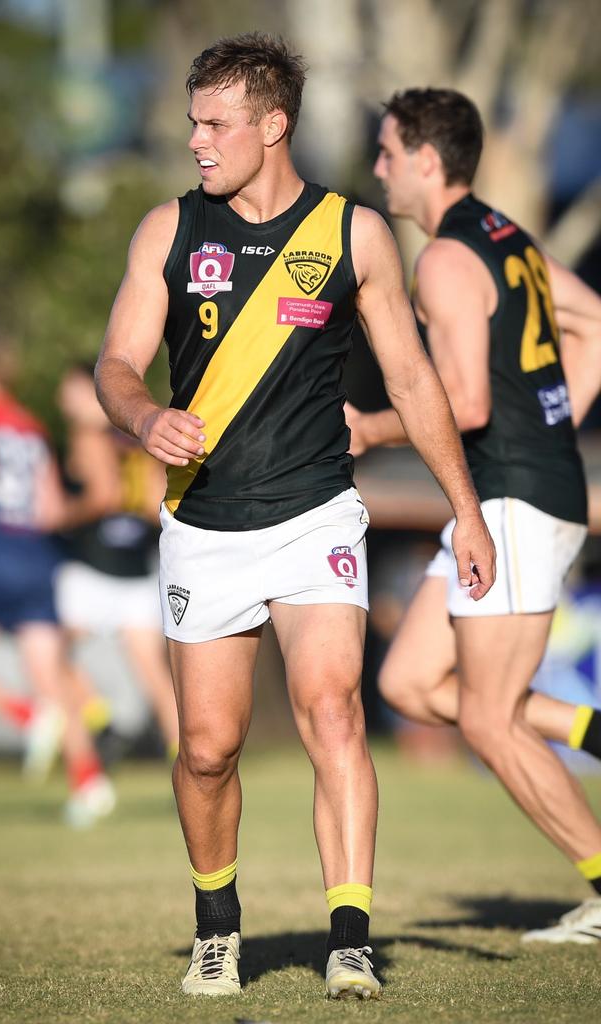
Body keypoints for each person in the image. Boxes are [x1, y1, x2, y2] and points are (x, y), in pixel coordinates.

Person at [93, 35, 495, 999]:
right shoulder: (167, 231)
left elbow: (412, 377)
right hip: (205, 526)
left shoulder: (354, 234)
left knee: (332, 708)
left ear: (273, 127)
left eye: (214, 123)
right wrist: (145, 416)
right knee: (206, 747)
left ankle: (349, 934)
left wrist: (466, 511)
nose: (196, 139)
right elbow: (115, 364)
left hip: (317, 515)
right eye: (192, 120)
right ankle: (217, 928)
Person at [349, 87, 601, 944]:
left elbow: (460, 402)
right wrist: (556, 425)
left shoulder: (446, 260)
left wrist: (370, 428)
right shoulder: (507, 238)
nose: (377, 167)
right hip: (511, 494)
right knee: (408, 681)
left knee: (489, 720)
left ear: (425, 159)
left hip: (513, 503)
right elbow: (594, 323)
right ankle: (588, 730)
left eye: (386, 152)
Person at [0, 340, 115, 828]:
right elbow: (50, 505)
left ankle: (28, 717)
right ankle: (90, 782)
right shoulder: (31, 426)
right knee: (52, 678)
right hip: (38, 560)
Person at [55, 361, 179, 759]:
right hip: (137, 567)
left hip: (93, 566)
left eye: (71, 391)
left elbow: (103, 496)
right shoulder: (139, 434)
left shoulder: (86, 435)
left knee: (53, 651)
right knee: (154, 674)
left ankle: (98, 719)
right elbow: (157, 502)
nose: (63, 400)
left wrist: (60, 517)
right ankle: (185, 757)